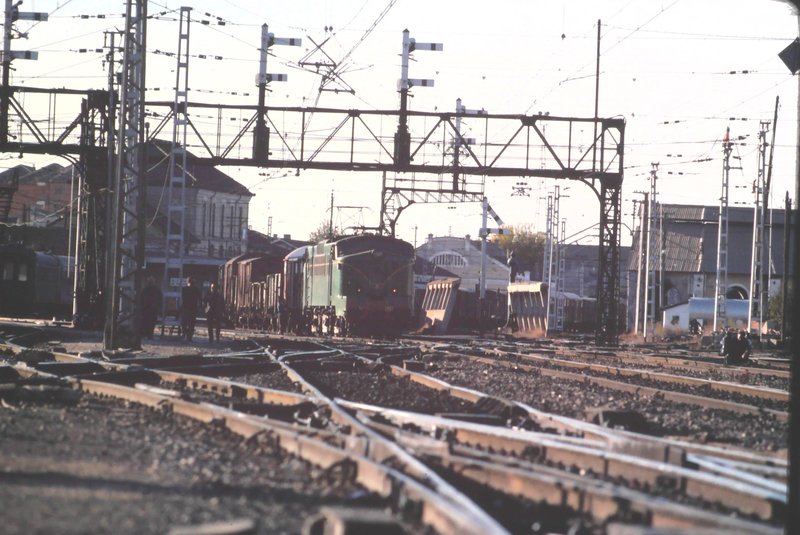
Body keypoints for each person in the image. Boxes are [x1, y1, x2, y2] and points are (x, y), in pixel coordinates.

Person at [180, 277, 202, 342]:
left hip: (187, 308)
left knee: (186, 323)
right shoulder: (196, 289)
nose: (191, 284)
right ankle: (188, 337)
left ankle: (186, 335)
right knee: (190, 324)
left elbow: (200, 299)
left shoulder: (184, 289)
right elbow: (200, 298)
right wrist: (199, 307)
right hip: (191, 308)